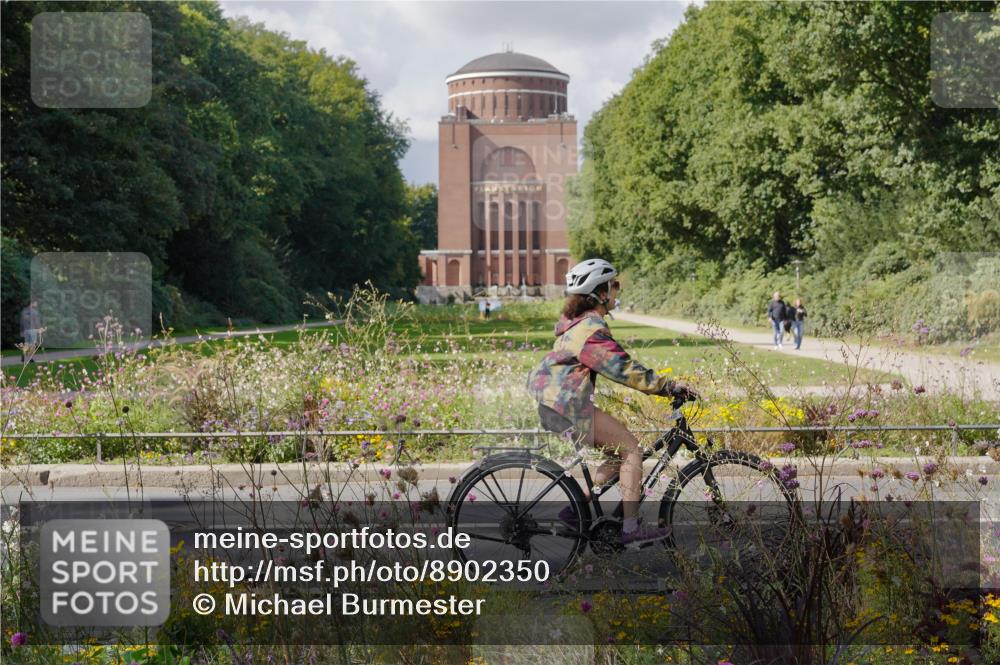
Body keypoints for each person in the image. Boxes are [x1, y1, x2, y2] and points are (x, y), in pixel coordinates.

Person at [527, 258, 698, 545]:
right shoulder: (590, 331)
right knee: (632, 450)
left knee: (618, 455)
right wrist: (667, 387)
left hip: (557, 403)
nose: (617, 291)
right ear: (600, 292)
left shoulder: (581, 324)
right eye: (614, 285)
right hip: (565, 405)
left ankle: (575, 509)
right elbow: (623, 368)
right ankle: (631, 530)